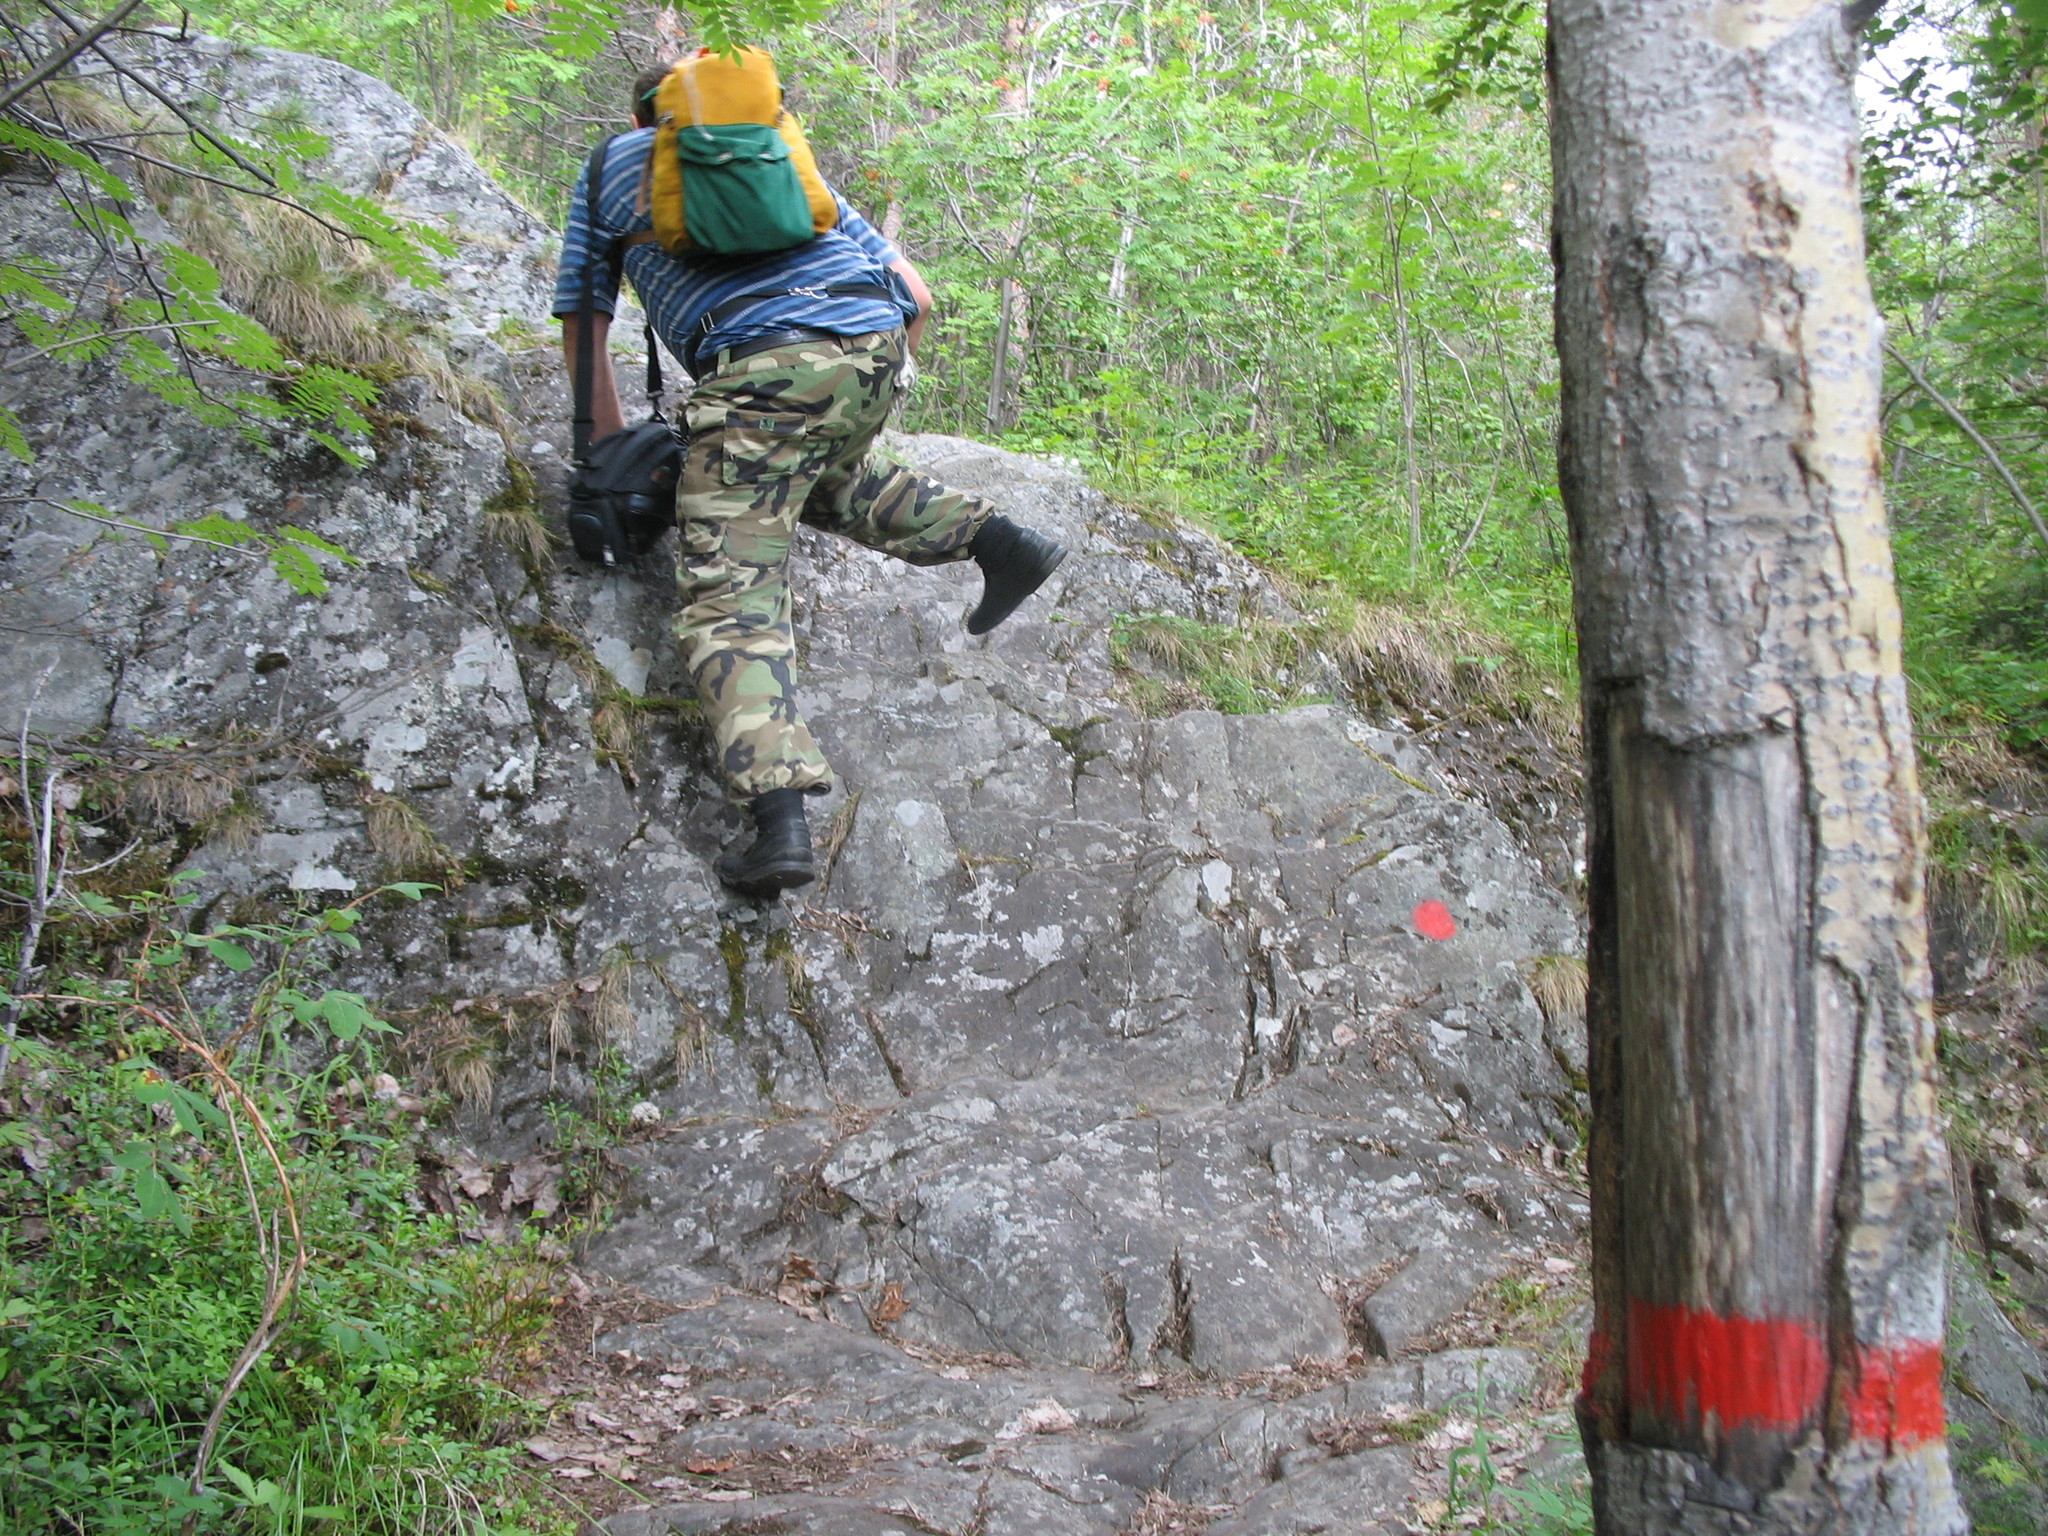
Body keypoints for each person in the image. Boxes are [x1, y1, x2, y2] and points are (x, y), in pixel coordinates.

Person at [554, 60, 1068, 900]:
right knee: (817, 480)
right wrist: (850, 389)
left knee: (732, 595)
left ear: (643, 114)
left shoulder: (615, 164)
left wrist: (599, 454)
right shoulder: (781, 157)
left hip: (761, 365)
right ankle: (1002, 541)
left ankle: (778, 820)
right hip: (874, 347)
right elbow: (917, 295)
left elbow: (584, 312)